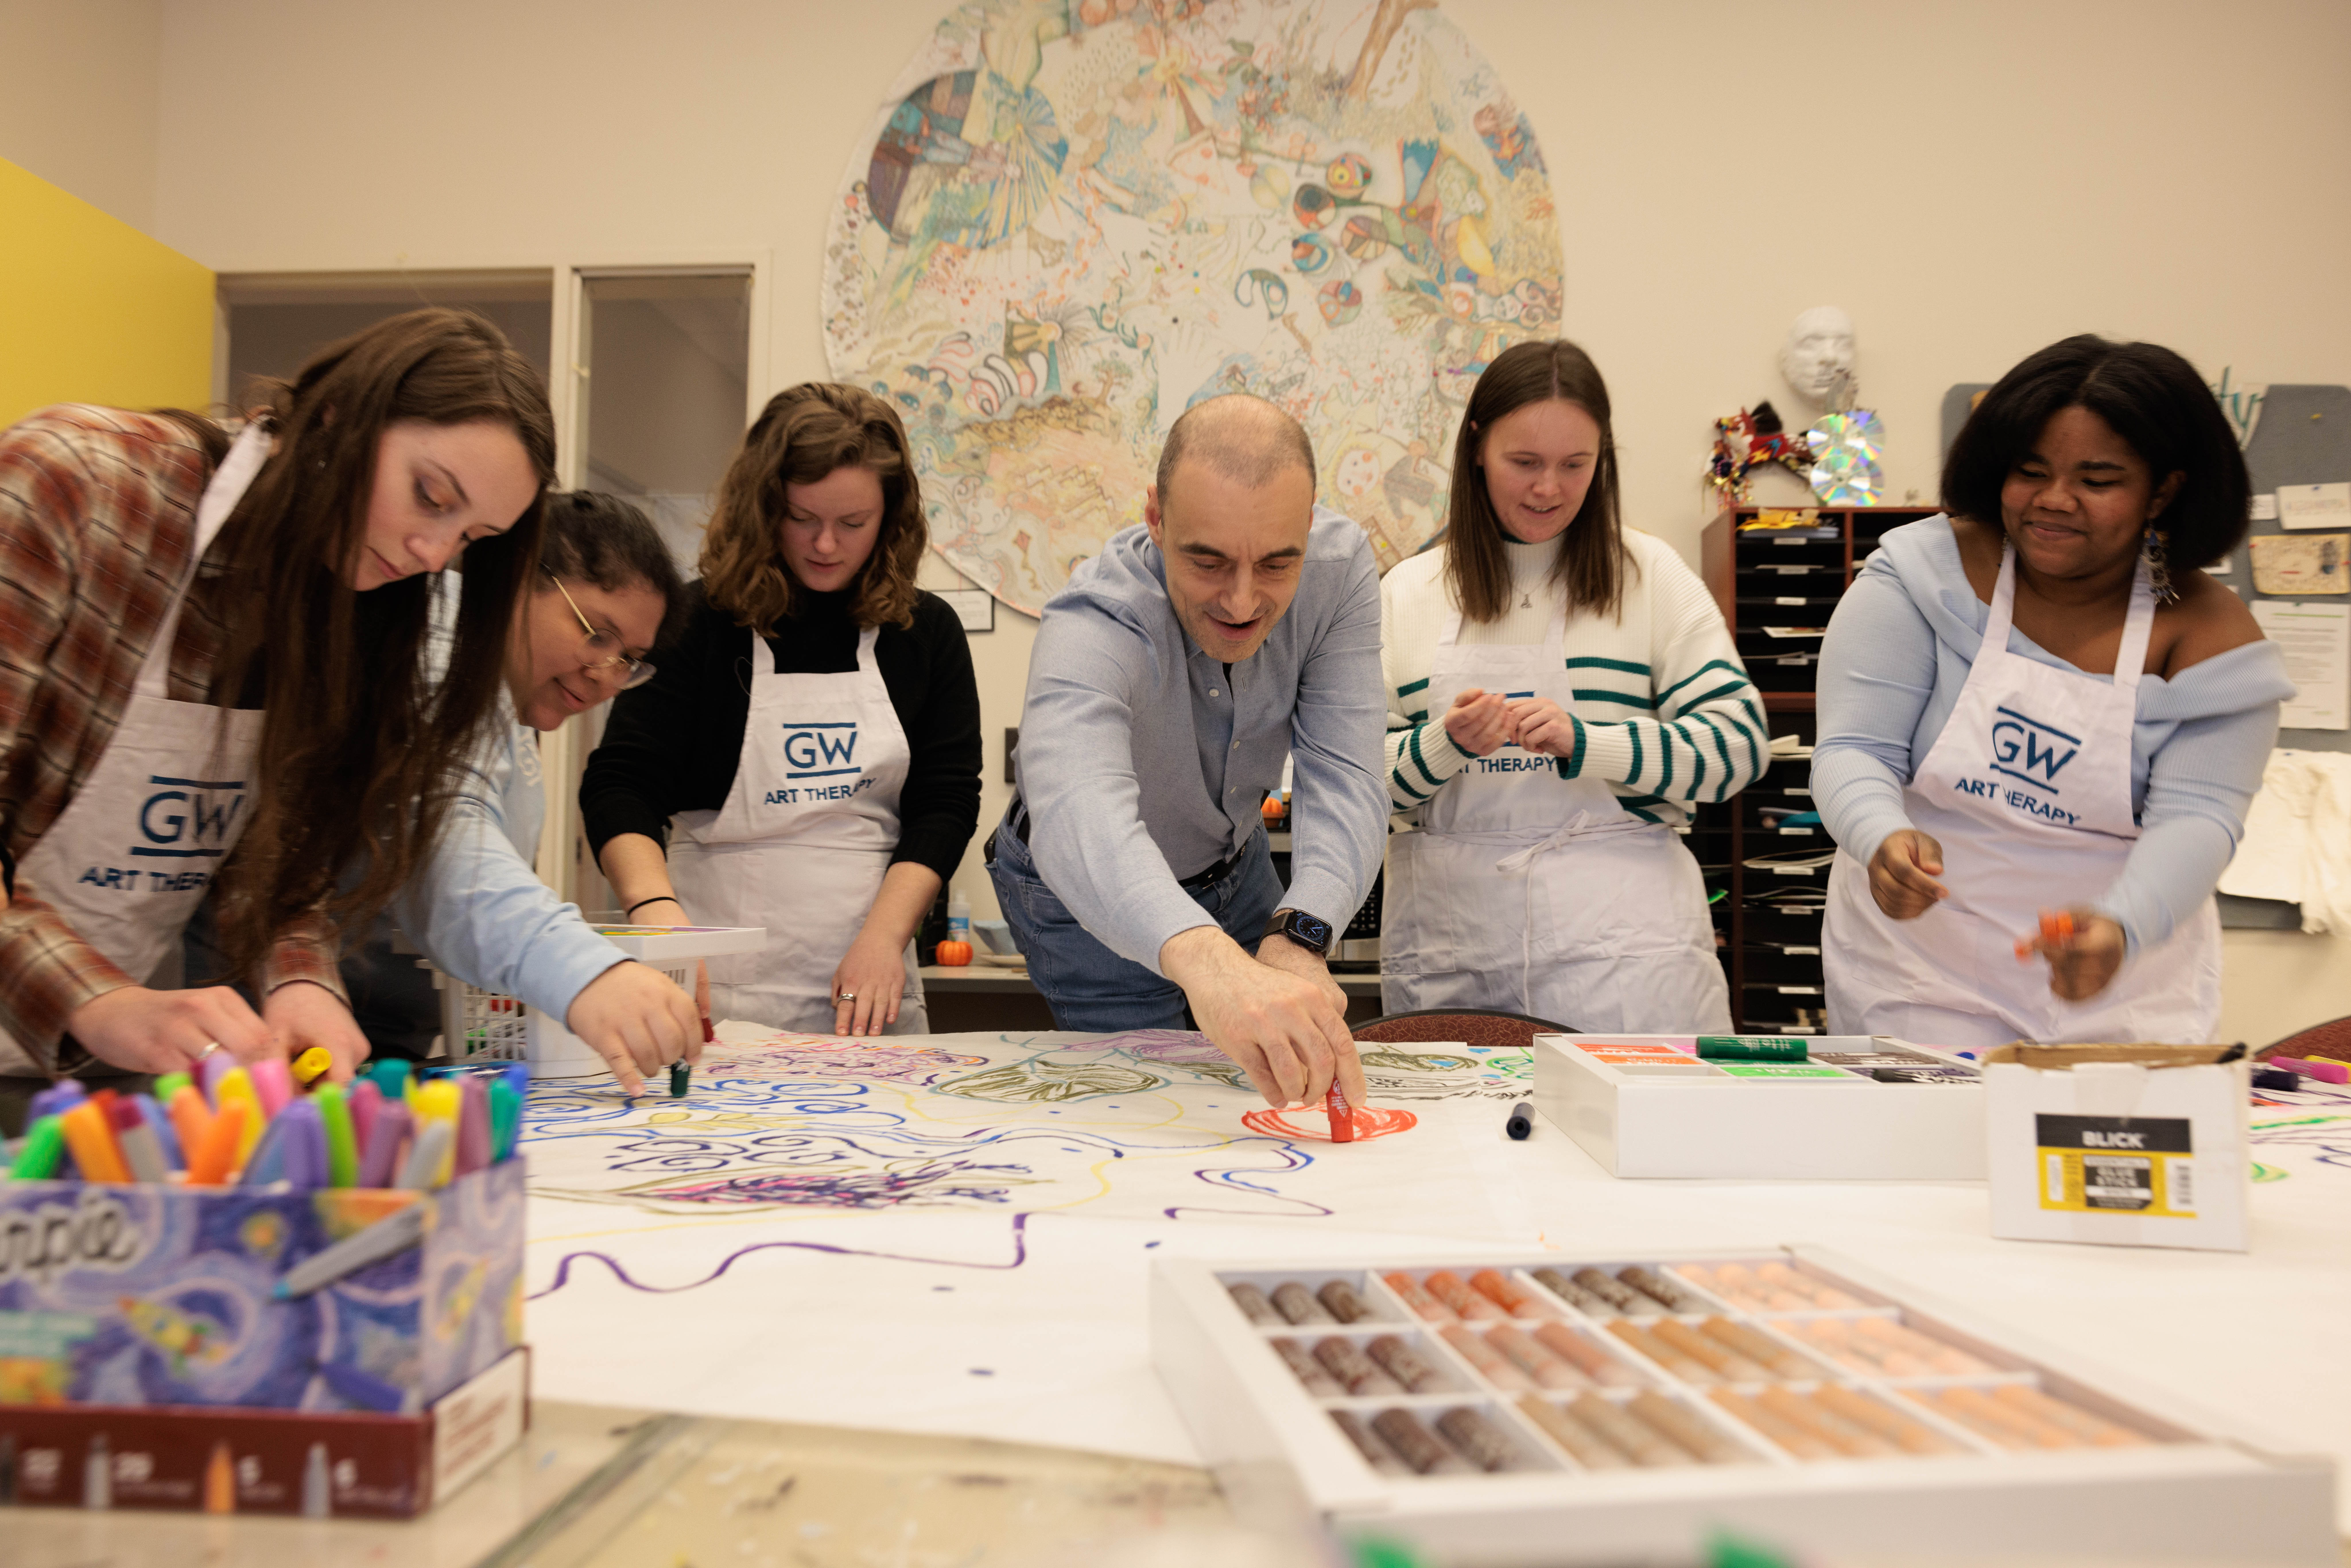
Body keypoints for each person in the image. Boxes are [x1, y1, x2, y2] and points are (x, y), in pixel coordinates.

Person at [0, 308, 552, 1080]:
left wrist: (299, 981)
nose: (433, 553)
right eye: (429, 496)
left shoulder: (352, 604)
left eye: (471, 539)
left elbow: (273, 858)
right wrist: (101, 1005)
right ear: (337, 416)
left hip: (61, 1072)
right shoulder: (76, 485)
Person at [1814, 334, 2293, 1047]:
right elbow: (1855, 746)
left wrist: (2124, 924)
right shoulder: (1923, 576)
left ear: (2163, 489)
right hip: (1921, 971)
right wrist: (1879, 835)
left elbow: (2198, 818)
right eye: (2030, 470)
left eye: (2097, 481)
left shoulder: (2211, 638)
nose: (2054, 501)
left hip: (2124, 979)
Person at [988, 394, 1386, 1110]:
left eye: (1275, 564)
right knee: (1161, 1111)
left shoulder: (1341, 568)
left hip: (1238, 868)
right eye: (1206, 561)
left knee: (1275, 1091)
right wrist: (1210, 965)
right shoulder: (1093, 621)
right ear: (1156, 518)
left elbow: (1348, 774)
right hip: (1081, 892)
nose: (1240, 601)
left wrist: (1302, 934)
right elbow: (1080, 809)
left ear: (1308, 524)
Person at [1378, 340, 1755, 1031]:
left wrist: (1591, 744)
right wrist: (1442, 746)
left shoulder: (1649, 576)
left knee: (1637, 1140)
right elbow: (1346, 781)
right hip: (1456, 954)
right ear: (1476, 450)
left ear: (1602, 460)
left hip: (1627, 970)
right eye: (1523, 463)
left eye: (1574, 465)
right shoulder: (1407, 594)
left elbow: (1736, 748)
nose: (1548, 488)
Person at [584, 384, 981, 1036]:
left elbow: (945, 801)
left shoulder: (925, 631)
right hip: (718, 991)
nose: (826, 544)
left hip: (871, 988)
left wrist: (886, 939)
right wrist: (658, 915)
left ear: (890, 517)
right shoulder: (696, 625)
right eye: (803, 518)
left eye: (853, 523)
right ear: (763, 506)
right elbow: (621, 785)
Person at [293, 492, 701, 1091]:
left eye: (629, 660)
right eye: (596, 634)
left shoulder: (507, 700)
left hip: (374, 1044)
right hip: (298, 1037)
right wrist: (585, 971)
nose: (605, 675)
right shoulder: (437, 651)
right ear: (515, 579)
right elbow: (437, 846)